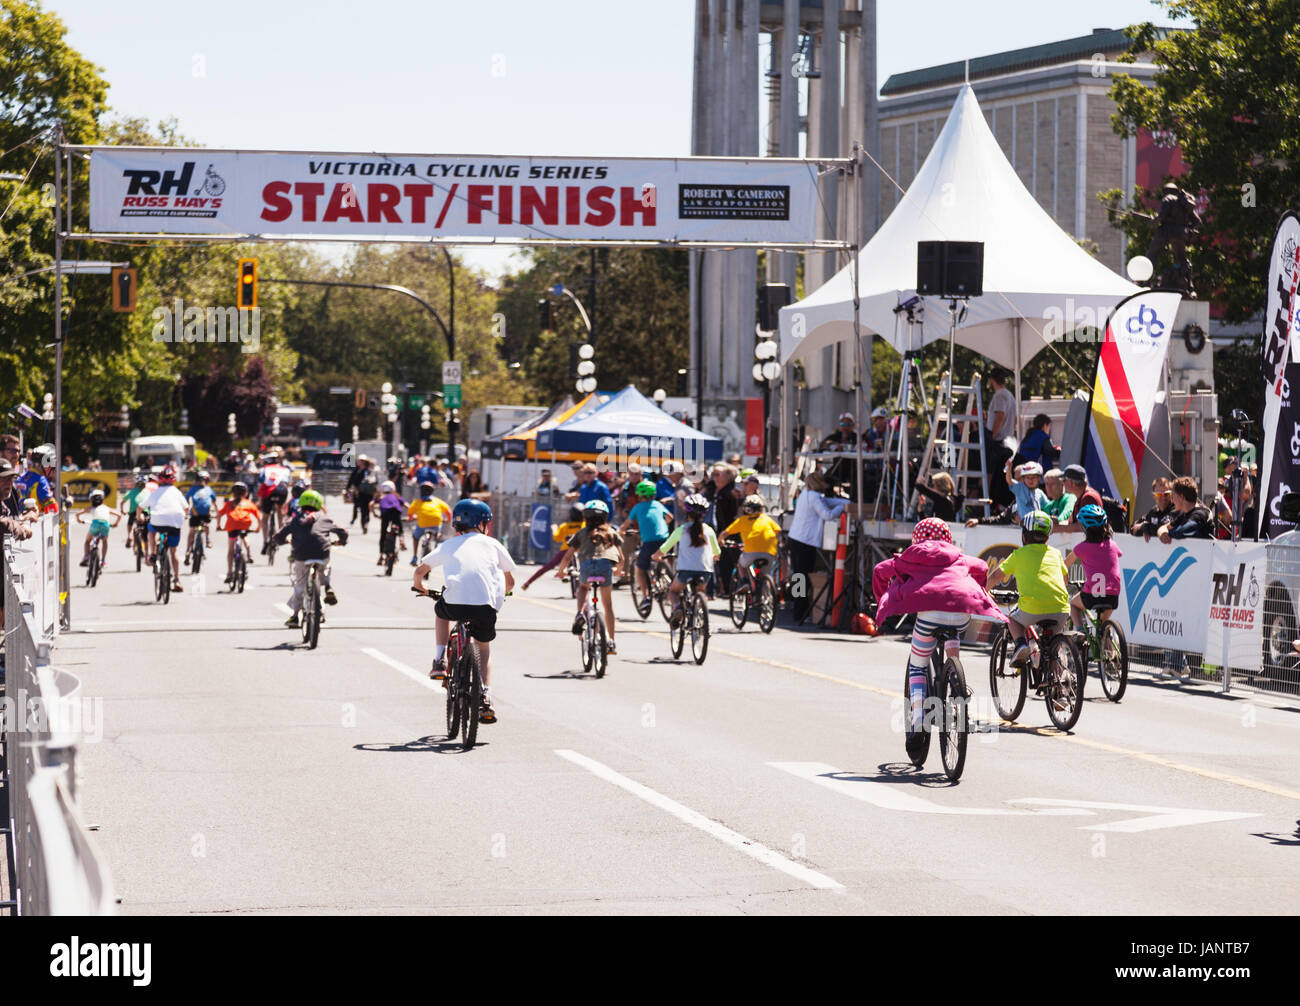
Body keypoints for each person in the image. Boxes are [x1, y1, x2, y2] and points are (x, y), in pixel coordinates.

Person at [872, 518, 1007, 760]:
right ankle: (956, 680)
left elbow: (880, 571)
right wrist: (977, 586)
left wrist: (882, 596)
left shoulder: (912, 555)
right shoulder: (958, 556)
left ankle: (917, 718)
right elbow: (982, 569)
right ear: (947, 538)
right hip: (960, 612)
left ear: (917, 539)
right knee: (953, 630)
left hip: (929, 615)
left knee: (918, 664)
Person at [416, 498, 515, 724]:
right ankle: (485, 695)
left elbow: (421, 569)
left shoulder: (450, 544)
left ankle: (439, 659)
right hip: (485, 607)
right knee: (483, 649)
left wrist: (420, 584)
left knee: (441, 613)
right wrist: (506, 593)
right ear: (482, 524)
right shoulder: (493, 544)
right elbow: (509, 580)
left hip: (454, 603)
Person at [986, 510, 1072, 667]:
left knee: (1011, 619)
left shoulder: (1019, 554)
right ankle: (1060, 682)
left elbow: (995, 577)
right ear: (1047, 537)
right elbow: (1065, 579)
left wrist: (983, 591)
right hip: (1061, 608)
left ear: (1024, 536)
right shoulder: (1055, 553)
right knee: (1052, 649)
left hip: (1032, 609)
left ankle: (1020, 645)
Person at [553, 499, 624, 654]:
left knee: (583, 588)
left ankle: (579, 613)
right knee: (608, 606)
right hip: (606, 567)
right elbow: (621, 558)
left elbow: (567, 556)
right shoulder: (611, 532)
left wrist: (561, 571)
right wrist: (618, 571)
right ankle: (611, 641)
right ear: (605, 517)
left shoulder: (581, 533)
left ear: (585, 517)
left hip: (586, 567)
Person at [652, 492, 721, 627]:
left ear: (686, 512)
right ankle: (700, 613)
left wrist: (656, 556)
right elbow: (717, 551)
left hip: (685, 570)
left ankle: (677, 607)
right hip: (705, 571)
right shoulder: (708, 530)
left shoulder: (682, 529)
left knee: (673, 591)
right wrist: (715, 558)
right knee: (700, 592)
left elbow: (665, 547)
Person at [786, 470, 847, 623]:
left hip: (796, 538)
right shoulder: (814, 497)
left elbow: (825, 502)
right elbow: (827, 514)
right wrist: (842, 508)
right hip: (805, 541)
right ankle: (799, 612)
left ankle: (796, 609)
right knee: (803, 576)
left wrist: (841, 503)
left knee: (798, 575)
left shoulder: (805, 494)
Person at [277, 490, 344, 627]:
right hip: (322, 555)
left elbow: (278, 537)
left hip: (301, 557)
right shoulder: (325, 518)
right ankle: (327, 584)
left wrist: (284, 541)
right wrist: (342, 541)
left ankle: (295, 617)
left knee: (300, 586)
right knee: (325, 569)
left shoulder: (295, 520)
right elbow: (343, 532)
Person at [1063, 504, 1122, 632]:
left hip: (1092, 594)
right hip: (1113, 595)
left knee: (1074, 604)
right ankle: (1109, 648)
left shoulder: (1082, 547)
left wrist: (1064, 577)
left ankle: (1080, 630)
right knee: (1102, 628)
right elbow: (1119, 554)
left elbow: (1064, 565)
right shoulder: (1112, 545)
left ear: (1085, 529)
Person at [619, 479, 672, 616]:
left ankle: (646, 597)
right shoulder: (658, 505)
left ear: (639, 495)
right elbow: (670, 517)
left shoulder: (637, 507)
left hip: (649, 541)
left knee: (640, 569)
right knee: (663, 558)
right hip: (665, 538)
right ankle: (666, 577)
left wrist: (620, 532)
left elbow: (627, 523)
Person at [144, 465, 190, 592]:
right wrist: (185, 516)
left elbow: (140, 508)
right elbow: (187, 508)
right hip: (175, 522)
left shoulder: (154, 493)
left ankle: (153, 553)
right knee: (173, 552)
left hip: (157, 521)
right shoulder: (177, 492)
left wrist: (139, 517)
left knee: (151, 531)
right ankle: (177, 580)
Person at [721, 494, 781, 579]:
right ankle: (767, 590)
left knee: (741, 564)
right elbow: (778, 530)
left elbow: (725, 533)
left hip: (750, 552)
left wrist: (720, 541)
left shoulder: (743, 520)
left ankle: (744, 582)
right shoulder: (766, 518)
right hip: (769, 552)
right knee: (765, 577)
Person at [703, 462, 741, 594]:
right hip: (718, 530)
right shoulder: (715, 490)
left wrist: (726, 533)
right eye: (714, 474)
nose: (715, 477)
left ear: (728, 477)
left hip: (729, 532)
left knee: (728, 562)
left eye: (718, 474)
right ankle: (723, 588)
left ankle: (730, 589)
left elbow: (734, 516)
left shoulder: (731, 493)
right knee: (720, 561)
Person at [215, 482, 261, 586]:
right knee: (244, 536)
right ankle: (249, 554)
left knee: (231, 550)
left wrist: (218, 525)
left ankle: (230, 572)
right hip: (244, 525)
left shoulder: (229, 504)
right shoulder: (249, 503)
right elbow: (259, 517)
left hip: (232, 526)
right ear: (245, 493)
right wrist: (258, 528)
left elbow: (219, 514)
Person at [984, 372, 1017, 508]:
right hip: (1007, 440)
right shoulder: (1010, 395)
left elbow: (1000, 416)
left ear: (992, 380)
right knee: (1001, 477)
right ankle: (996, 503)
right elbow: (1014, 420)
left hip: (998, 440)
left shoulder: (1000, 395)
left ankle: (990, 502)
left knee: (992, 474)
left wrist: (992, 436)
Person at [1051, 464, 1105, 536]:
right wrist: (1057, 522)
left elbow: (1083, 526)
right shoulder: (1082, 497)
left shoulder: (1088, 498)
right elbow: (1072, 523)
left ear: (1071, 483)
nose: (1063, 484)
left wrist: (1057, 528)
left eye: (1064, 480)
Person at [406, 481, 452, 564]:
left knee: (415, 537)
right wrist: (448, 520)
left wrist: (411, 518)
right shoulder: (437, 501)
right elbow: (448, 511)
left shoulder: (417, 502)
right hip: (436, 523)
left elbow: (410, 513)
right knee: (438, 534)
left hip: (422, 524)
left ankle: (415, 557)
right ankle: (437, 543)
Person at [1156, 476, 1213, 541]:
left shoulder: (1201, 513)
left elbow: (1181, 531)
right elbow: (1164, 527)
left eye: (1173, 496)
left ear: (1181, 497)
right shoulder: (1183, 514)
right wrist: (1162, 533)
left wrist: (1167, 534)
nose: (1172, 501)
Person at [256, 450, 291, 554]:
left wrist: (259, 501)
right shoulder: (285, 469)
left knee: (265, 517)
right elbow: (287, 484)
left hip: (268, 492)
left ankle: (265, 540)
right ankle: (280, 532)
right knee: (279, 509)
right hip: (281, 491)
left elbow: (260, 484)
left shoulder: (264, 469)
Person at [76, 489, 120, 568]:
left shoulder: (91, 508)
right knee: (105, 541)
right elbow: (119, 515)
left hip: (95, 524)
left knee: (87, 541)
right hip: (105, 525)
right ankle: (103, 560)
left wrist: (79, 520)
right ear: (102, 499)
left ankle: (86, 556)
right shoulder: (106, 508)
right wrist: (115, 524)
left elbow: (77, 514)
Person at [184, 470, 216, 567]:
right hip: (203, 514)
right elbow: (213, 502)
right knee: (205, 525)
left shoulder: (193, 488)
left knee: (192, 531)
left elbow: (186, 500)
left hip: (195, 514)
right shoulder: (208, 489)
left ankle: (188, 550)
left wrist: (186, 512)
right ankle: (207, 539)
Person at [371, 480, 406, 563]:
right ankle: (401, 541)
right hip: (395, 512)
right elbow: (407, 505)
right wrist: (411, 515)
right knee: (399, 528)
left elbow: (370, 504)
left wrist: (374, 514)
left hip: (385, 514)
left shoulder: (380, 496)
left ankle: (381, 555)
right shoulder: (396, 496)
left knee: (383, 533)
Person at [345, 454, 378, 532]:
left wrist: (352, 490)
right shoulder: (368, 471)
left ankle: (364, 523)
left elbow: (354, 482)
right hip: (367, 493)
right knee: (365, 509)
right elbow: (375, 482)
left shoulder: (361, 471)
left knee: (363, 509)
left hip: (361, 493)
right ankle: (364, 522)